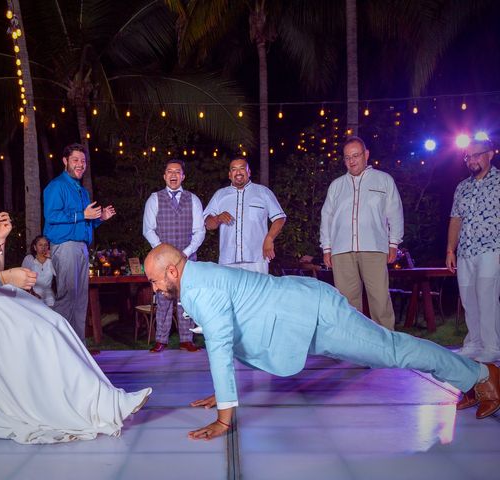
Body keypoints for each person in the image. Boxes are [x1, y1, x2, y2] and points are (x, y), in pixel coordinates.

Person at [144, 243, 499, 440]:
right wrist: (220, 394)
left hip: (314, 314)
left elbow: (219, 350)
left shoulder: (200, 288)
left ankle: (484, 375)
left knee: (391, 350)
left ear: (171, 271)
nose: (154, 288)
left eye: (155, 280)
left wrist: (224, 418)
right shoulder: (194, 282)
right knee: (389, 351)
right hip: (298, 322)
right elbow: (232, 332)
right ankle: (470, 378)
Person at [0, 166, 151, 444]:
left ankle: (101, 401)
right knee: (40, 333)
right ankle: (76, 405)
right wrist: (5, 277)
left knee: (54, 322)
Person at [320, 136, 403, 330]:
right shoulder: (336, 185)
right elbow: (327, 217)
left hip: (374, 247)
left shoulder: (384, 180)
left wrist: (393, 243)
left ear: (366, 155)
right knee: (348, 303)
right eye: (347, 157)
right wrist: (327, 247)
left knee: (380, 299)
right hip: (341, 250)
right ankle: (355, 347)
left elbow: (395, 213)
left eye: (356, 155)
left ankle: (386, 345)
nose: (352, 161)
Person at [43, 143, 116, 344]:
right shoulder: (57, 186)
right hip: (65, 247)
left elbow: (85, 224)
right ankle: (58, 346)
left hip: (82, 248)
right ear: (65, 161)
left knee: (80, 300)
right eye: (75, 160)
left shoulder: (82, 191)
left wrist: (100, 218)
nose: (80, 164)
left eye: (83, 161)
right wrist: (81, 214)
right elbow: (51, 216)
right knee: (67, 298)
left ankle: (78, 347)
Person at [143, 159, 206, 353]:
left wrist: (184, 253)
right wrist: (164, 252)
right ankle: (161, 339)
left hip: (187, 259)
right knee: (163, 299)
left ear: (183, 176)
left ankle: (187, 339)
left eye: (177, 172)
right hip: (163, 261)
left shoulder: (193, 199)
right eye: (169, 171)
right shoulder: (154, 199)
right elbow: (148, 229)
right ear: (164, 176)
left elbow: (199, 231)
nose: (173, 175)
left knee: (186, 298)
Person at [446, 138, 500, 364]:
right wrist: (450, 249)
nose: (472, 160)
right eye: (468, 156)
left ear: (490, 154)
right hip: (466, 251)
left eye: (477, 155)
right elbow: (456, 219)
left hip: (491, 249)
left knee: (487, 296)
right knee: (468, 298)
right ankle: (474, 342)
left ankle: (492, 346)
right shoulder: (463, 186)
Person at [203, 157, 286, 274]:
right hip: (228, 260)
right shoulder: (220, 195)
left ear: (249, 172)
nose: (238, 172)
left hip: (257, 259)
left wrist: (269, 239)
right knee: (230, 292)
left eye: (242, 168)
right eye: (234, 169)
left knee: (258, 292)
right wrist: (217, 218)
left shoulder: (263, 192)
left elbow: (279, 218)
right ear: (229, 174)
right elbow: (208, 224)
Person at [22, 235, 56, 307]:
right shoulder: (29, 259)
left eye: (46, 245)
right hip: (31, 292)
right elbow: (23, 278)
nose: (43, 248)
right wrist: (32, 293)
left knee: (51, 305)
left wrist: (53, 258)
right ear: (35, 247)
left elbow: (58, 274)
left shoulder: (51, 260)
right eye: (40, 245)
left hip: (48, 294)